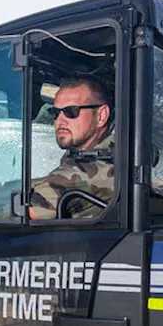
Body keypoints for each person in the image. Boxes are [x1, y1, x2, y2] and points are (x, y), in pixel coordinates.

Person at [27, 77, 115, 220]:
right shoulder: (106, 154)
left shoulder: (103, 165)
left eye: (71, 111)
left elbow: (20, 214)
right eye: (55, 113)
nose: (60, 121)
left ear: (101, 116)